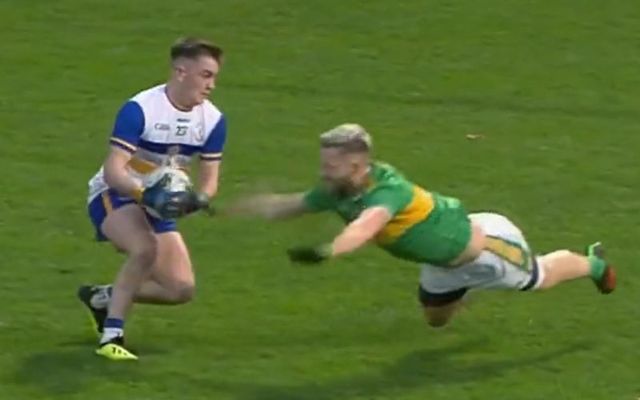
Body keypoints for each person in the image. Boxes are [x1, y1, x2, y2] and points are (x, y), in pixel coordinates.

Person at [231, 123, 616, 329]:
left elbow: (365, 228)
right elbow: (289, 205)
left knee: (541, 277)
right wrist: (222, 209)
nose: (322, 171)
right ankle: (463, 289)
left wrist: (329, 251)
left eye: (329, 165)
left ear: (355, 165)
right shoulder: (337, 189)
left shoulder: (388, 191)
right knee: (435, 321)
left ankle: (593, 264)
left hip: (486, 249)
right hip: (443, 263)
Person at [80, 37, 227, 360]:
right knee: (144, 248)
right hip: (115, 192)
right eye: (205, 75)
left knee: (180, 289)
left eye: (214, 76)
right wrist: (144, 194)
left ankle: (104, 298)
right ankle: (112, 337)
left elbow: (209, 181)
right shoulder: (141, 109)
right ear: (180, 72)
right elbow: (113, 169)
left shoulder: (213, 121)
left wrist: (196, 199)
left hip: (158, 200)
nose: (212, 85)